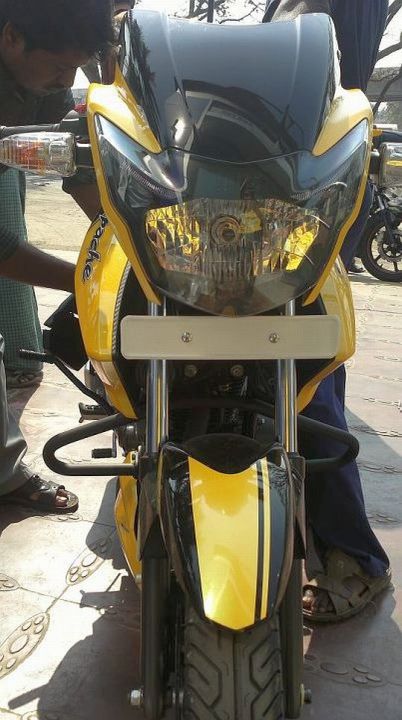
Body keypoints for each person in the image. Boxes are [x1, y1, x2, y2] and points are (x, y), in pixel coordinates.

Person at [263, 0, 391, 622]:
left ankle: (353, 556)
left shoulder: (320, 17)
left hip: (313, 182)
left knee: (305, 372)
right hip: (280, 179)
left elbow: (312, 65)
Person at [0, 0, 119, 513]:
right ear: (12, 37)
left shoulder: (42, 86)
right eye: (57, 65)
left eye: (76, 66)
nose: (66, 80)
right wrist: (88, 283)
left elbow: (80, 170)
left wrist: (136, 247)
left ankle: (3, 476)